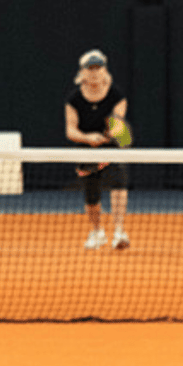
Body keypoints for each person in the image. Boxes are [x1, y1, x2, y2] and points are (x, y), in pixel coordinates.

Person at [65, 49, 130, 250]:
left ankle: (119, 232)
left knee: (119, 184)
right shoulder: (74, 98)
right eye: (90, 68)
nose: (94, 72)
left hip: (110, 149)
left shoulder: (116, 95)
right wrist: (87, 138)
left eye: (98, 68)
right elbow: (70, 130)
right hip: (85, 150)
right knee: (91, 194)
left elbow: (118, 123)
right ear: (82, 72)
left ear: (104, 70)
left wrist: (113, 131)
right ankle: (97, 231)